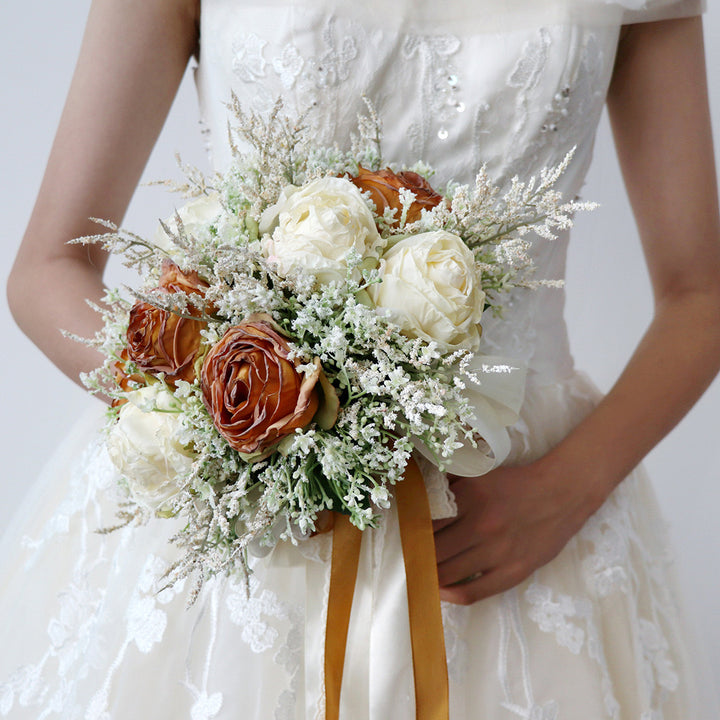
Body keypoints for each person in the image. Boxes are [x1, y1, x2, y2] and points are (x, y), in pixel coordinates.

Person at [1, 0, 719, 717]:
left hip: (517, 515)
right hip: (248, 528)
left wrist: (567, 490)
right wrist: (226, 412)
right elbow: (49, 268)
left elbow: (701, 293)